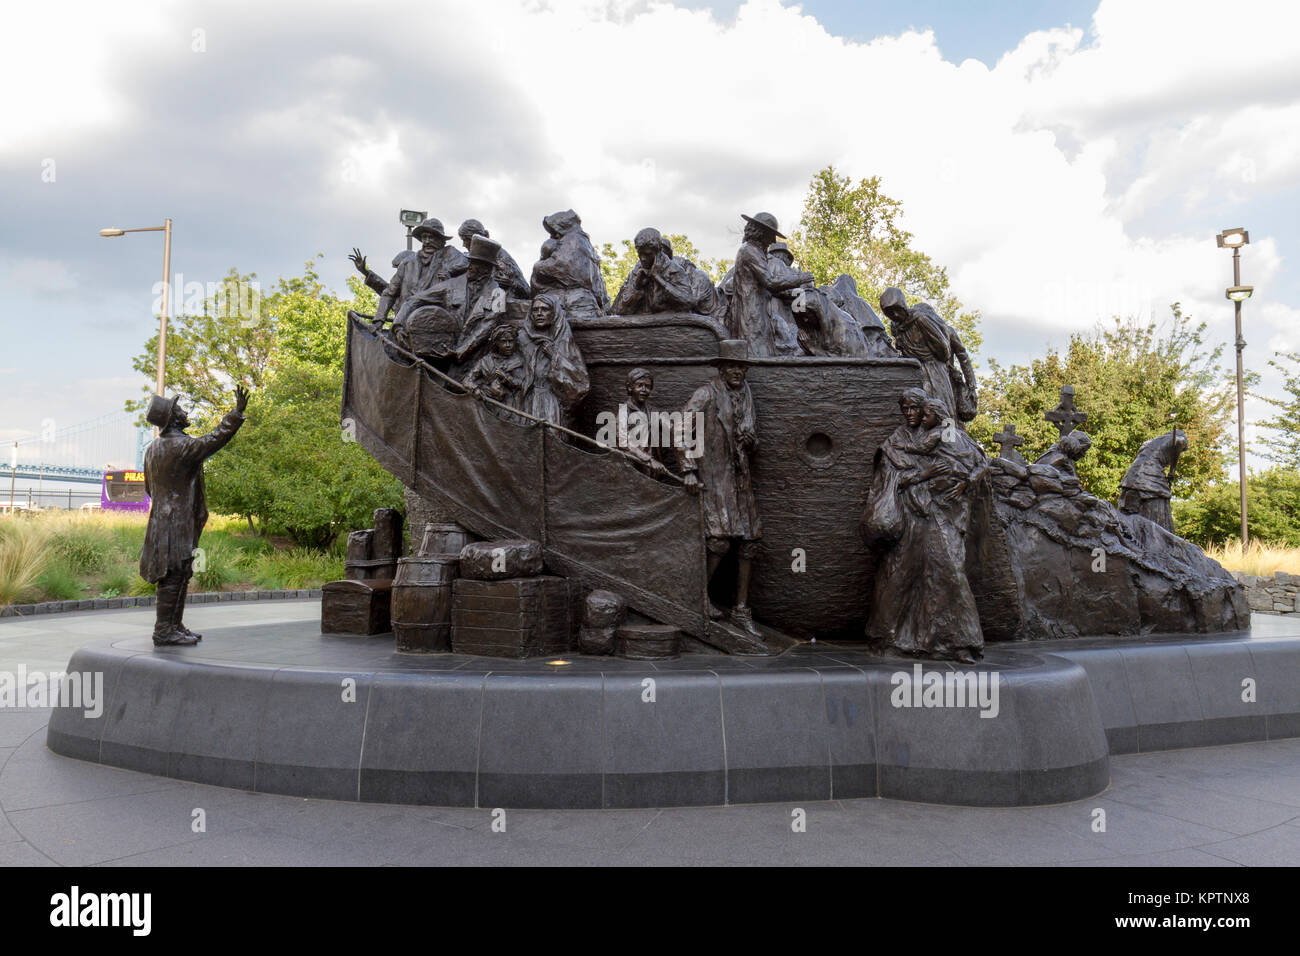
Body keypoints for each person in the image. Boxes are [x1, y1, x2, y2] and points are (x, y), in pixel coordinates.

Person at [861, 388, 983, 662]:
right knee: (898, 576)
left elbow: (978, 465)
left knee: (949, 572)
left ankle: (959, 643)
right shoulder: (897, 441)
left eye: (915, 409)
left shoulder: (950, 436)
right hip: (909, 517)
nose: (910, 414)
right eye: (905, 409)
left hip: (941, 516)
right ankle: (888, 638)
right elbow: (892, 476)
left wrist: (966, 481)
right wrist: (922, 474)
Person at [140, 387, 248, 646]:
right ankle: (164, 630)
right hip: (176, 521)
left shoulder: (152, 449)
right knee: (174, 573)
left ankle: (174, 625)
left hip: (161, 520)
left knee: (181, 571)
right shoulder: (182, 446)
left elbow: (149, 488)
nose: (185, 412)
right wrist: (236, 414)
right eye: (179, 409)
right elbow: (213, 440)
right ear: (173, 419)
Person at [679, 339, 763, 637]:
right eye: (732, 366)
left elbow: (751, 433)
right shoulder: (706, 394)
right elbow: (680, 428)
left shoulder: (747, 395)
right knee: (719, 541)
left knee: (750, 541)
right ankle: (695, 599)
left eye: (741, 367)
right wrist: (688, 468)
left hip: (740, 477)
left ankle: (741, 610)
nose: (738, 372)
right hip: (714, 475)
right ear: (722, 368)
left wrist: (750, 439)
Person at [879, 287, 977, 425]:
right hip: (913, 371)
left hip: (935, 371)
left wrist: (971, 386)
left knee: (940, 409)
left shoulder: (921, 320)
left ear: (903, 306)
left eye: (897, 309)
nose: (894, 315)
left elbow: (945, 351)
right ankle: (921, 441)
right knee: (914, 413)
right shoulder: (896, 327)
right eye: (889, 313)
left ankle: (948, 441)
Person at [728, 213, 814, 357]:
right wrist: (800, 278)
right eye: (771, 235)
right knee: (756, 355)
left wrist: (787, 292)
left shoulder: (756, 252)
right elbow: (770, 282)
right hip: (751, 315)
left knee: (765, 354)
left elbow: (767, 287)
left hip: (760, 314)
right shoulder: (749, 251)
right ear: (761, 232)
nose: (772, 240)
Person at [373, 218, 468, 339]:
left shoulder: (449, 256)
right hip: (403, 327)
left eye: (431, 237)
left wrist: (450, 271)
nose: (427, 241)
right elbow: (389, 293)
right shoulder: (407, 263)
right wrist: (379, 319)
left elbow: (468, 265)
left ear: (441, 240)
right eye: (424, 237)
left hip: (436, 330)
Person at [518, 293, 590, 427]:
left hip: (552, 401)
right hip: (527, 400)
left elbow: (581, 382)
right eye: (535, 309)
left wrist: (554, 356)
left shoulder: (564, 340)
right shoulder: (522, 339)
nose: (539, 313)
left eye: (544, 309)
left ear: (554, 313)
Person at [611, 227, 718, 316]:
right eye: (640, 254)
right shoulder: (637, 272)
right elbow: (621, 311)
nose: (643, 258)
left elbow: (688, 302)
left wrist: (658, 279)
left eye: (648, 254)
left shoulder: (674, 271)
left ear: (658, 251)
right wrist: (637, 287)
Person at [529, 209, 610, 319]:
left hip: (575, 303)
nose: (554, 236)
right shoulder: (579, 241)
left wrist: (538, 265)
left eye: (555, 232)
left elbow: (562, 266)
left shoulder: (574, 240)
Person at [1118, 430, 1187, 532]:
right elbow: (1180, 442)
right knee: (1156, 503)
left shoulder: (1149, 442)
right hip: (1150, 473)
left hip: (1132, 474)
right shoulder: (1177, 439)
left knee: (1129, 511)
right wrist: (1172, 470)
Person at [463, 323, 528, 423]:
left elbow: (522, 385)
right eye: (503, 341)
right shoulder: (485, 361)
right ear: (496, 343)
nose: (508, 345)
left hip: (509, 407)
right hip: (486, 405)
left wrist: (506, 379)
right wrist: (475, 389)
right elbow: (467, 380)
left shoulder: (518, 361)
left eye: (511, 341)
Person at [618, 367, 673, 478]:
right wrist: (648, 459)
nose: (644, 389)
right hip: (632, 466)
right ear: (630, 387)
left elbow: (671, 427)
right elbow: (624, 442)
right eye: (640, 385)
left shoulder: (653, 411)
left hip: (652, 468)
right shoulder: (624, 412)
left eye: (647, 387)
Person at [457, 219, 531, 300]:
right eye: (463, 240)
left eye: (466, 240)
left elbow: (527, 291)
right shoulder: (467, 258)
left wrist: (512, 284)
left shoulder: (503, 258)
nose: (464, 245)